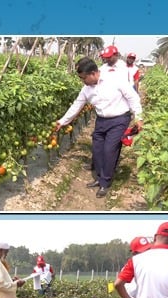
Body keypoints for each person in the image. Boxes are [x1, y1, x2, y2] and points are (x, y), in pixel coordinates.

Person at [56, 57, 143, 198]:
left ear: (93, 73)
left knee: (109, 150)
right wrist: (62, 121)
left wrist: (139, 117)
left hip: (119, 119)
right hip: (102, 120)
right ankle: (100, 177)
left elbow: (133, 97)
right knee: (97, 150)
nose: (82, 81)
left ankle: (105, 183)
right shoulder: (86, 90)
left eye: (83, 78)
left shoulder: (115, 79)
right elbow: (76, 106)